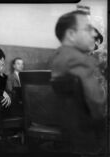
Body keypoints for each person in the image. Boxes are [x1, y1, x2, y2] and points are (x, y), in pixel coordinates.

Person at [48, 10, 107, 154]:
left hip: (68, 132)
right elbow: (99, 106)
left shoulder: (57, 57)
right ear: (71, 35)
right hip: (89, 138)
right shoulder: (80, 61)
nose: (94, 34)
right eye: (88, 29)